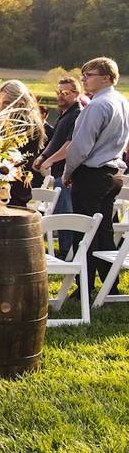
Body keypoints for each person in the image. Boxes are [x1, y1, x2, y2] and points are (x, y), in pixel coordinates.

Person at [63, 57, 129, 295]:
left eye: (88, 75)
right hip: (112, 174)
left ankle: (84, 289)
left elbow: (80, 146)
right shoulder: (122, 101)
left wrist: (68, 172)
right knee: (104, 232)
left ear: (106, 77)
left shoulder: (96, 105)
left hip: (91, 174)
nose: (83, 79)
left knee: (85, 233)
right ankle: (110, 286)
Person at [33, 76, 84, 258]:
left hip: (66, 173)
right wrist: (43, 156)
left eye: (65, 93)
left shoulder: (77, 114)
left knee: (66, 212)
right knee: (60, 210)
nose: (60, 96)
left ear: (77, 94)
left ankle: (67, 251)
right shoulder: (65, 114)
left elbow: (70, 145)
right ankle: (64, 249)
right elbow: (56, 141)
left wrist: (50, 160)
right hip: (57, 172)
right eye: (58, 92)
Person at [0, 80, 46, 207]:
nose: (2, 107)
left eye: (7, 103)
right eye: (0, 103)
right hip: (14, 189)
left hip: (12, 190)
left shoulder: (25, 124)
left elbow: (15, 159)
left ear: (20, 102)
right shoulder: (30, 122)